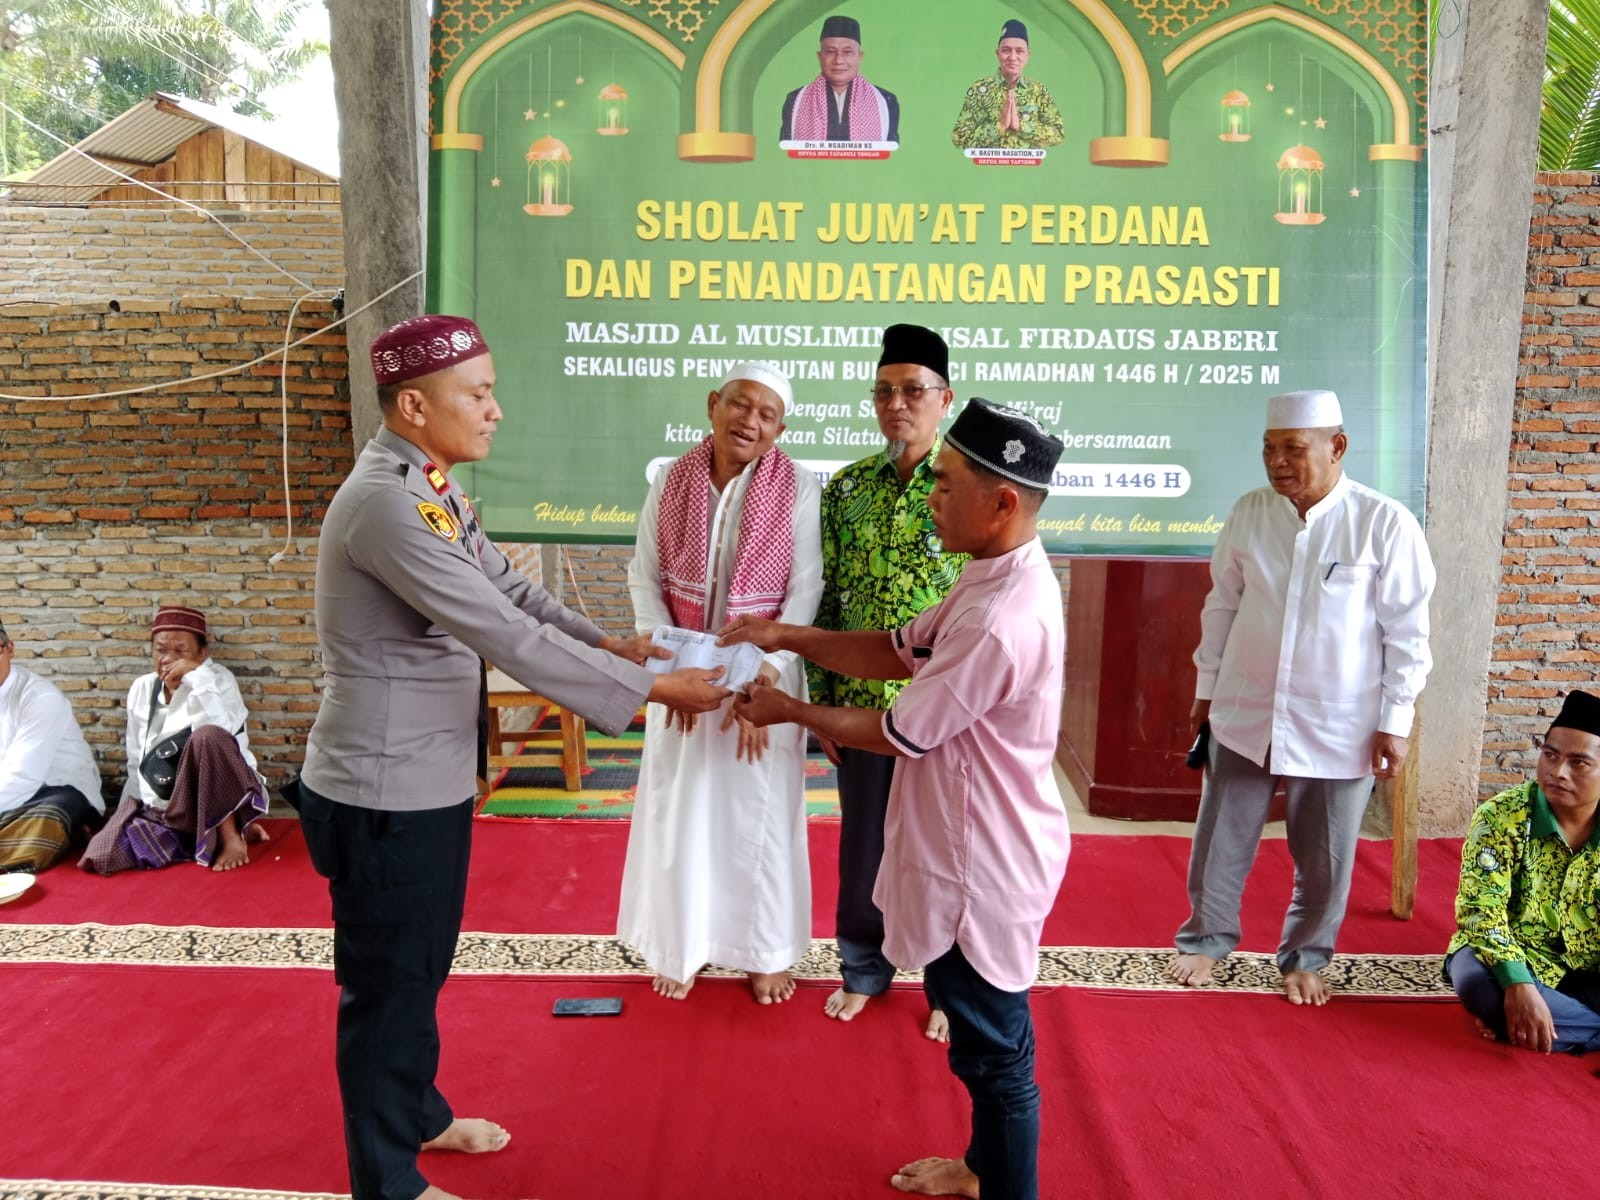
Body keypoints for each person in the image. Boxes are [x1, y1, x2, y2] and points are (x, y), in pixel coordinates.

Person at [296, 314, 730, 1200]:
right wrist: (647, 692)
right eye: (478, 394)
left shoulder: (427, 484)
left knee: (419, 969)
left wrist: (611, 642)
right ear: (414, 405)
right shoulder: (387, 503)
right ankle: (388, 1183)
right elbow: (500, 632)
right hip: (384, 791)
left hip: (424, 779)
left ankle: (416, 1114)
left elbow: (508, 586)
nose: (496, 410)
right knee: (387, 988)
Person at [724, 397, 1069, 1200]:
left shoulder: (1001, 619)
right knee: (982, 1042)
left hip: (982, 864)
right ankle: (983, 1169)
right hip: (960, 846)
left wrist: (791, 710)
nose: (933, 498)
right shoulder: (988, 577)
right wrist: (789, 637)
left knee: (996, 1055)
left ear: (1003, 502)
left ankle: (1002, 1184)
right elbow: (895, 648)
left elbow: (901, 728)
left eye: (946, 486)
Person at [1169, 389, 1436, 1005]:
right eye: (1269, 449)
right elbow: (1222, 604)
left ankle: (1305, 956)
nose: (1277, 462)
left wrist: (1395, 723)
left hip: (1340, 720)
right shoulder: (1250, 512)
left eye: (1293, 448)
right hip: (1247, 708)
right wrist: (1206, 689)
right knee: (1221, 835)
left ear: (1337, 447)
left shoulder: (1384, 523)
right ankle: (1205, 940)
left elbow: (1409, 634)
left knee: (1327, 852)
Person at [619, 361, 823, 1003]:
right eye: (740, 405)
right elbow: (644, 575)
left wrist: (767, 675)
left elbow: (806, 589)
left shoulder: (800, 488)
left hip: (760, 683)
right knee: (680, 814)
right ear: (714, 404)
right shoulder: (671, 479)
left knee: (756, 821)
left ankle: (763, 952)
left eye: (766, 415)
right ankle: (682, 947)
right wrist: (669, 665)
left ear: (780, 428)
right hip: (682, 678)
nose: (750, 421)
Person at [808, 322, 967, 1038]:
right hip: (861, 709)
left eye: (912, 391)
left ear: (944, 400)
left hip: (944, 711)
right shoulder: (845, 490)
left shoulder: (965, 487)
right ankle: (864, 968)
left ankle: (946, 985)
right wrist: (820, 706)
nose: (896, 404)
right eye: (884, 391)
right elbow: (826, 601)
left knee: (940, 850)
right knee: (864, 844)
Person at [1445, 689, 1600, 1054]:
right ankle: (1533, 1016)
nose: (1557, 772)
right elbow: (1480, 911)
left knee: (1507, 1014)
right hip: (1516, 961)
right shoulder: (1502, 817)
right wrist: (1519, 986)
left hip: (1589, 967)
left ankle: (1532, 1025)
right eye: (1550, 755)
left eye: (1578, 763)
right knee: (1474, 982)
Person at [80, 605, 268, 875]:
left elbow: (223, 739)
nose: (168, 659)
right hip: (169, 800)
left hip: (220, 788)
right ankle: (224, 830)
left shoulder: (218, 681)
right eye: (161, 650)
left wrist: (197, 678)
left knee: (207, 737)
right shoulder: (142, 688)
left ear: (202, 654)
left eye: (181, 651)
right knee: (102, 855)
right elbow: (136, 757)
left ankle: (231, 835)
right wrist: (125, 813)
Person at [0, 620, 103, 872]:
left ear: (10, 649)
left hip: (53, 790)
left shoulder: (39, 698)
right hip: (7, 800)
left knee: (45, 821)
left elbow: (22, 776)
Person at [780, 15, 900, 143]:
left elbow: (891, 155)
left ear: (860, 56)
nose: (838, 60)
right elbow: (786, 153)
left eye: (847, 52)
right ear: (820, 56)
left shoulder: (885, 101)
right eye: (831, 52)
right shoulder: (796, 100)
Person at [950, 20, 1064, 151]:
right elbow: (959, 137)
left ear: (1028, 55)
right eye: (1006, 50)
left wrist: (1021, 126)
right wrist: (999, 126)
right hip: (987, 169)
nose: (1012, 57)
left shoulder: (1038, 91)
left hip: (1029, 169)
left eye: (1019, 51)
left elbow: (1058, 134)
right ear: (998, 54)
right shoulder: (980, 90)